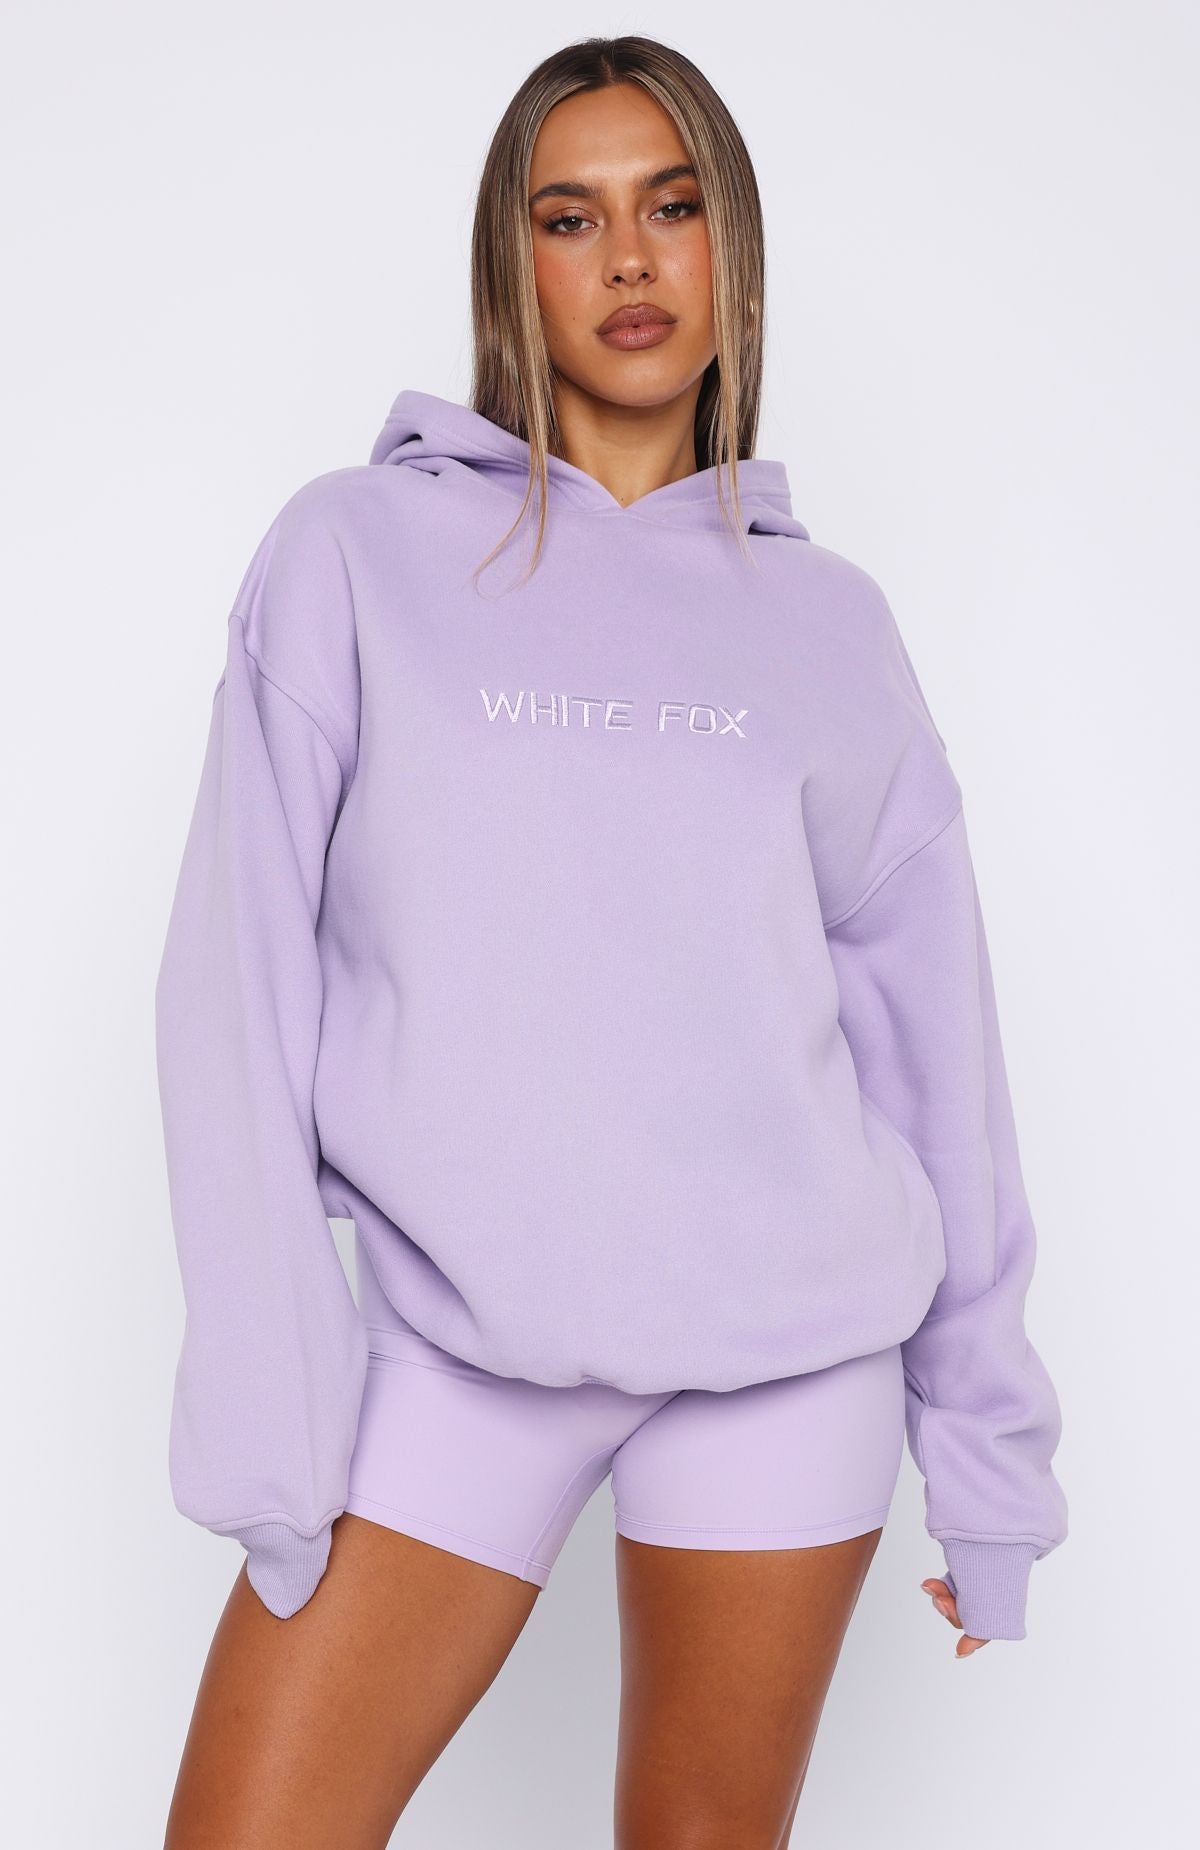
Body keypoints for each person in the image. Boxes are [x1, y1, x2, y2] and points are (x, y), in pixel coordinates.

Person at [154, 33, 1068, 1849]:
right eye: (570, 217)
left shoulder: (831, 623)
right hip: (452, 1355)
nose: (631, 258)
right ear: (513, 265)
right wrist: (271, 1420)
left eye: (673, 206)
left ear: (734, 249)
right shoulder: (355, 554)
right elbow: (229, 996)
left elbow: (935, 1051)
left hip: (790, 1360)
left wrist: (989, 1466)